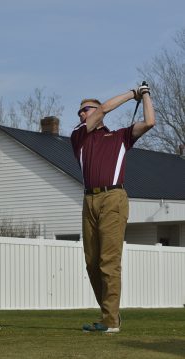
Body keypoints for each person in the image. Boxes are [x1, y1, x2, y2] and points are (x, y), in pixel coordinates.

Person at [71, 83, 155, 333]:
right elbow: (106, 108)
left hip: (113, 198)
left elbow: (149, 121)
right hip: (89, 200)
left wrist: (145, 94)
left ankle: (110, 321)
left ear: (95, 110)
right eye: (80, 112)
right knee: (92, 262)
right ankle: (111, 316)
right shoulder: (79, 135)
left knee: (109, 260)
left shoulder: (120, 136)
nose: (82, 115)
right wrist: (133, 94)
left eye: (85, 110)